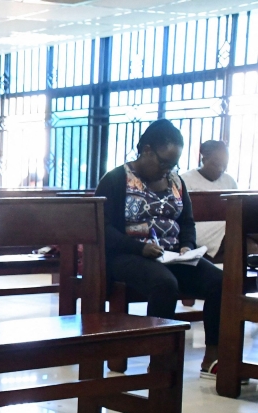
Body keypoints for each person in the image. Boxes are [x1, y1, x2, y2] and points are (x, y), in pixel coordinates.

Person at [95, 119, 225, 377]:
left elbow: (186, 222)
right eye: (164, 163)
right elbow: (102, 228)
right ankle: (160, 360)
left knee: (220, 281)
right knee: (164, 284)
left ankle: (213, 357)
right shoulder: (116, 179)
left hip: (173, 256)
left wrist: (187, 246)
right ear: (146, 150)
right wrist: (138, 248)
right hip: (128, 256)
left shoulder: (176, 182)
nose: (168, 170)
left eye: (173, 165)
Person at [180, 140, 239, 257]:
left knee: (240, 227)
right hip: (197, 227)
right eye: (216, 164)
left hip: (225, 226)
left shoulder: (229, 180)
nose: (220, 169)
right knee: (234, 227)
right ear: (204, 160)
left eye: (224, 165)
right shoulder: (186, 179)